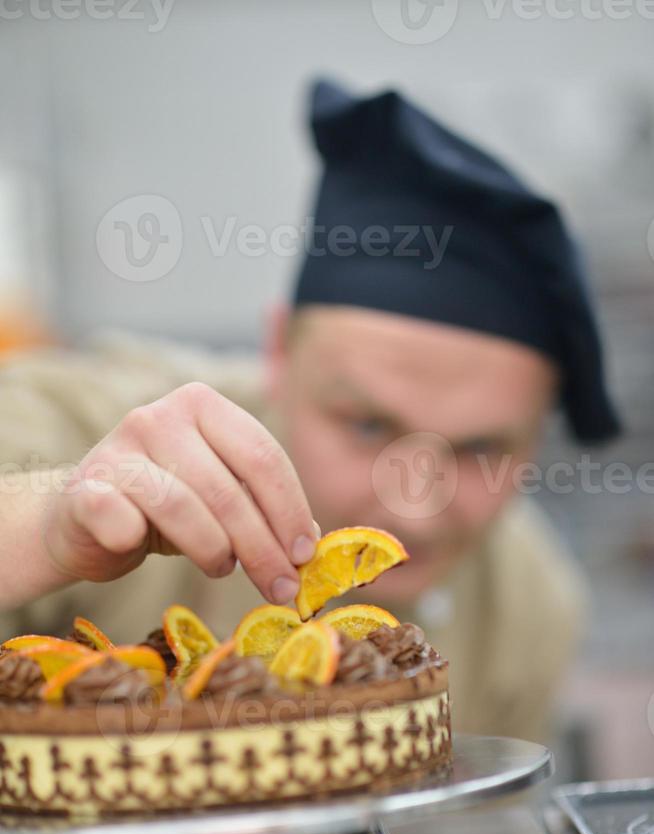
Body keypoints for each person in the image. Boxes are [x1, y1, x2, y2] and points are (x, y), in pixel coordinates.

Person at [0, 80, 620, 742]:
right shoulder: (73, 425)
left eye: (479, 450)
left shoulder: (528, 606)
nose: (415, 504)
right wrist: (43, 531)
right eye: (367, 425)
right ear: (278, 354)